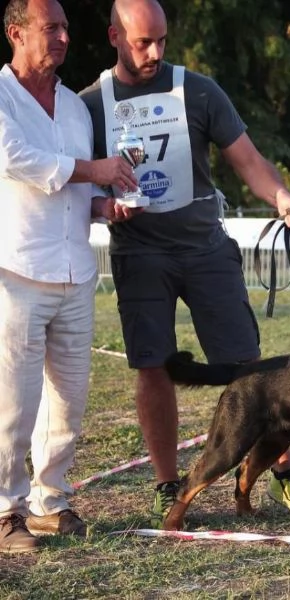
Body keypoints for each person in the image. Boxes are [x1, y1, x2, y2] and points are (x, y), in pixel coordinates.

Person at [80, 0, 290, 529]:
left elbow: (248, 160)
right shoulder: (89, 105)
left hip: (206, 250)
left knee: (249, 368)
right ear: (114, 37)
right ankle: (168, 485)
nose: (156, 52)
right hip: (139, 253)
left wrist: (281, 197)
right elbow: (72, 184)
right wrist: (103, 206)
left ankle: (286, 470)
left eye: (162, 40)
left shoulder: (198, 90)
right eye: (143, 41)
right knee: (152, 366)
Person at [0, 0, 139, 554]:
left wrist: (110, 207)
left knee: (69, 400)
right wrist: (96, 170)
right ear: (16, 33)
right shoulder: (2, 96)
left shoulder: (76, 109)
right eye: (49, 28)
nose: (62, 37)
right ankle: (5, 512)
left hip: (76, 269)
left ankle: (49, 502)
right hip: (17, 270)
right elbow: (16, 158)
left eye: (64, 28)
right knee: (14, 401)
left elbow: (81, 192)